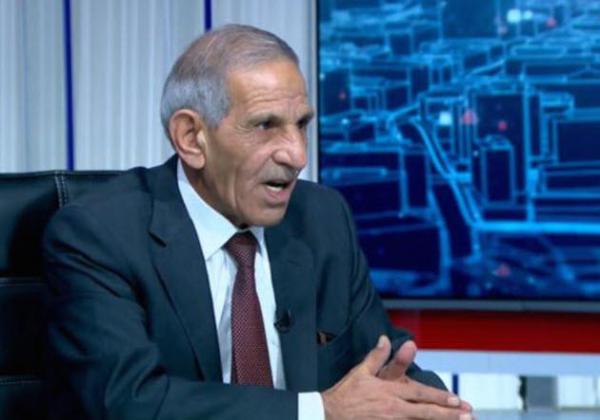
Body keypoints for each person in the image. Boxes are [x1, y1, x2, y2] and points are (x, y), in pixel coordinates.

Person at [44, 24, 473, 419]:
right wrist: (319, 411)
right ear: (192, 138)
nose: (297, 155)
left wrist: (436, 407)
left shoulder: (322, 218)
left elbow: (380, 361)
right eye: (266, 126)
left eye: (301, 124)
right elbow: (131, 401)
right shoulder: (98, 236)